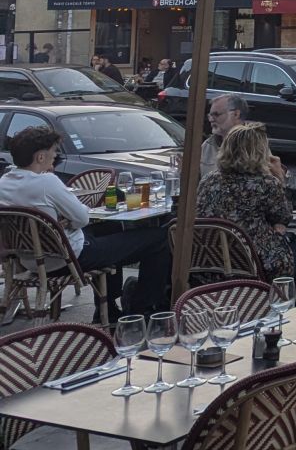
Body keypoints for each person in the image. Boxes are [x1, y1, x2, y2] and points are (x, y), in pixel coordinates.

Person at [0, 125, 171, 315]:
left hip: (32, 260)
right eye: (53, 152)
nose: (55, 157)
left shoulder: (4, 182)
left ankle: (108, 309)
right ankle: (142, 308)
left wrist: (59, 220)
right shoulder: (46, 181)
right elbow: (82, 217)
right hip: (68, 259)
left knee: (111, 228)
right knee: (159, 238)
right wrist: (68, 218)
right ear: (40, 157)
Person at [195, 122, 296, 280]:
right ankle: (287, 300)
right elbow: (285, 217)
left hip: (212, 263)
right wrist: (281, 180)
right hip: (254, 263)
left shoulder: (208, 181)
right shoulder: (266, 183)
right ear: (260, 152)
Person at [200, 94, 288, 186]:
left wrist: (280, 177)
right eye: (209, 115)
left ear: (236, 114)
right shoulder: (207, 146)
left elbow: (273, 187)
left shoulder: (256, 143)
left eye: (216, 114)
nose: (211, 119)